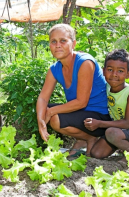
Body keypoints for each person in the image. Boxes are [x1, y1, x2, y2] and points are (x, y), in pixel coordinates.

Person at [36, 24, 111, 156]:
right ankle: (83, 139)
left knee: (54, 117)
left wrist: (51, 111)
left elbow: (82, 102)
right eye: (53, 41)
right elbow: (42, 98)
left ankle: (90, 138)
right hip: (81, 113)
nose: (58, 45)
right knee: (43, 110)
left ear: (73, 43)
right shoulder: (54, 69)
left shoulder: (84, 62)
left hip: (99, 118)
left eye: (63, 41)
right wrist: (41, 121)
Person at [84, 49, 129, 159]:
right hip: (117, 130)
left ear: (128, 74)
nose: (114, 74)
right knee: (96, 153)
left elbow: (127, 123)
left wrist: (99, 123)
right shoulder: (107, 87)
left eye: (120, 71)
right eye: (110, 69)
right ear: (104, 71)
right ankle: (122, 146)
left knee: (111, 133)